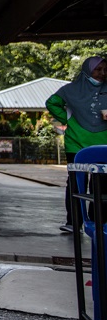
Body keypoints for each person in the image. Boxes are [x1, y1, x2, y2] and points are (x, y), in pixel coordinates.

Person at [46, 55, 107, 232]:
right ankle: (74, 222)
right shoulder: (70, 90)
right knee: (76, 183)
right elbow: (51, 103)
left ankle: (98, 222)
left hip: (103, 145)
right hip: (76, 144)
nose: (102, 73)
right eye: (98, 69)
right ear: (88, 70)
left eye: (105, 70)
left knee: (103, 184)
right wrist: (68, 119)